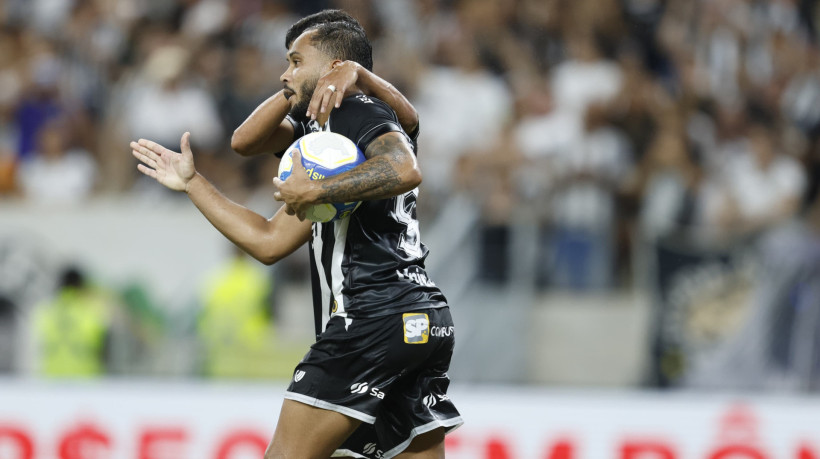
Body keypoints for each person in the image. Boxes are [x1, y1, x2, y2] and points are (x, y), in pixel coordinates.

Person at [130, 9, 462, 459]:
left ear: (331, 67)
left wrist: (320, 184)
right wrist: (193, 182)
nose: (285, 72)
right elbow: (266, 228)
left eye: (294, 61)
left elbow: (405, 168)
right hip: (420, 321)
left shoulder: (354, 114)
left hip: (369, 318)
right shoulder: (329, 140)